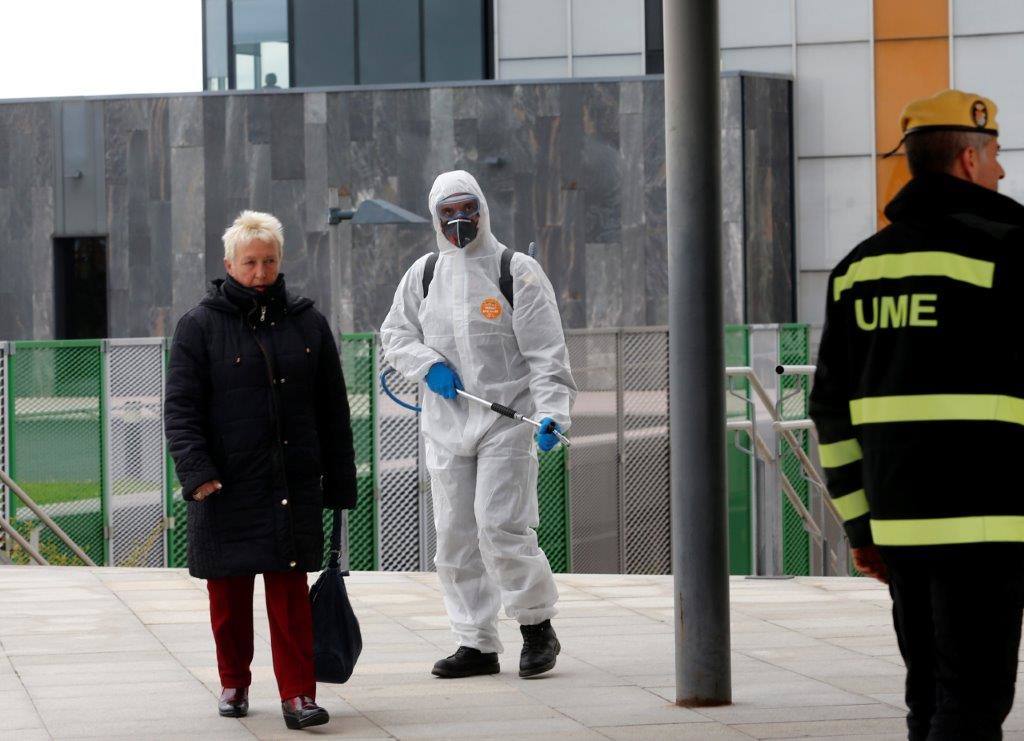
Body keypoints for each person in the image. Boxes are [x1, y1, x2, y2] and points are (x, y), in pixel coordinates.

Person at [810, 89, 1024, 740]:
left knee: (929, 694)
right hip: (989, 524)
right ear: (967, 159)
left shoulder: (856, 272)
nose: (1002, 172)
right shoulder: (1008, 256)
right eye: (995, 157)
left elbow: (829, 409)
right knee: (973, 702)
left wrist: (861, 527)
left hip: (899, 525)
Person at [164, 210, 357, 730]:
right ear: (229, 264)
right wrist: (197, 472)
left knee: (290, 599)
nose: (260, 271)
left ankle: (299, 694)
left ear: (280, 261)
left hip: (291, 484)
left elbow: (332, 410)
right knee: (227, 599)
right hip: (224, 487)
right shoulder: (198, 326)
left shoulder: (308, 323)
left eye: (269, 260)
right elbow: (180, 409)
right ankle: (235, 681)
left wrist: (339, 483)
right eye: (250, 262)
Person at [380, 170, 577, 679]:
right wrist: (428, 365)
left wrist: (552, 412)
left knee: (500, 524)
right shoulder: (423, 274)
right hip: (446, 423)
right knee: (454, 532)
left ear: (483, 208)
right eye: (448, 212)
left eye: (467, 207)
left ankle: (536, 626)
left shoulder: (517, 270)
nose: (459, 219)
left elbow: (547, 354)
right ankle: (476, 642)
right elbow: (396, 334)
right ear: (435, 217)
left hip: (505, 419)